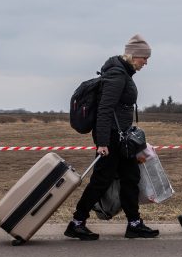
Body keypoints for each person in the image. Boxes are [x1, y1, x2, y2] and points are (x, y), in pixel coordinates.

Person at [66, 34, 159, 241]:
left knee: (130, 179)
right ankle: (77, 222)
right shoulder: (117, 75)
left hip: (122, 139)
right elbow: (104, 110)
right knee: (101, 181)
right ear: (134, 56)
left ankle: (134, 224)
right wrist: (102, 143)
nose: (146, 62)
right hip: (112, 139)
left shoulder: (122, 73)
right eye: (145, 58)